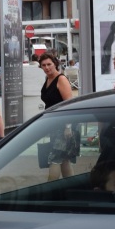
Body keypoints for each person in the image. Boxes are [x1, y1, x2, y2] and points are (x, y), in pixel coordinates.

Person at [40, 52, 77, 180]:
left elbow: (69, 104)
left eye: (49, 64)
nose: (47, 67)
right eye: (43, 65)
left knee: (55, 158)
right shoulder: (48, 80)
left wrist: (68, 126)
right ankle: (71, 188)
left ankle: (50, 189)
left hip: (63, 124)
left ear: (55, 63)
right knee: (64, 159)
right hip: (53, 124)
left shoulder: (61, 79)